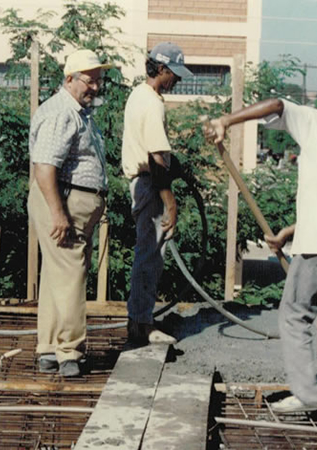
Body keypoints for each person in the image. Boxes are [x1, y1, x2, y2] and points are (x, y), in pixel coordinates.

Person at [203, 87, 317, 415]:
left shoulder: (316, 120)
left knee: (295, 314)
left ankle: (309, 395)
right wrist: (289, 234)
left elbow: (278, 104)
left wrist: (225, 120)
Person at [27, 49, 112, 377]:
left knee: (56, 276)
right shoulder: (61, 112)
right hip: (62, 200)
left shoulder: (77, 112)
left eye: (98, 81)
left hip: (71, 202)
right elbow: (45, 167)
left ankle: (49, 348)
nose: (94, 87)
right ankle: (70, 353)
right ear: (69, 79)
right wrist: (58, 213)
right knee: (71, 275)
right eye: (89, 80)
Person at [121, 42, 193, 346]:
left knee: (148, 254)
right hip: (150, 185)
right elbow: (156, 159)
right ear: (161, 69)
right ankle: (141, 325)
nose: (176, 80)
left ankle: (141, 319)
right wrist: (171, 203)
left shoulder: (139, 95)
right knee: (150, 256)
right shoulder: (152, 103)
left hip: (144, 183)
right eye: (173, 74)